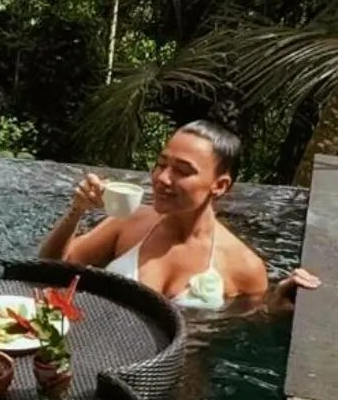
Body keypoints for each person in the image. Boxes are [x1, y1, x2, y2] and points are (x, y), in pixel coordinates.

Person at [38, 119, 320, 312]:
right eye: (161, 164)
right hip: (101, 351)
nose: (162, 178)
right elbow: (50, 269)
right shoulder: (131, 222)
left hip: (181, 376)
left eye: (182, 171)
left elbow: (250, 326)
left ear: (220, 185)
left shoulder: (244, 267)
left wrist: (278, 304)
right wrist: (77, 210)